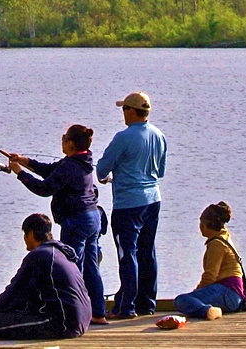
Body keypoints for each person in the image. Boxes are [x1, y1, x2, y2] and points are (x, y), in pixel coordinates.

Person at [8, 124, 108, 324]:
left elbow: (44, 189)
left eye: (64, 138)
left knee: (72, 267)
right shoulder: (82, 160)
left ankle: (76, 314)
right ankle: (98, 313)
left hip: (76, 221)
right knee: (91, 267)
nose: (61, 140)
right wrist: (24, 161)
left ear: (70, 143)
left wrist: (20, 173)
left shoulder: (70, 165)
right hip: (93, 218)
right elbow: (49, 170)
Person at [96, 91, 167, 319]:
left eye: (124, 109)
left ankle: (126, 307)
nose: (122, 113)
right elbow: (160, 171)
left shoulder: (123, 137)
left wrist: (113, 175)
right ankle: (147, 303)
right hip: (153, 200)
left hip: (128, 205)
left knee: (128, 253)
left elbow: (101, 170)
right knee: (148, 251)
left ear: (132, 111)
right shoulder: (159, 135)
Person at [0, 213, 92, 339]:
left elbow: (14, 291)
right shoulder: (61, 253)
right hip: (82, 320)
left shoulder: (39, 256)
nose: (24, 239)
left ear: (31, 234)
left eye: (25, 235)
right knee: (16, 308)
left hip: (64, 325)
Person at [174, 202, 244, 320]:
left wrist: (196, 292)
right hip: (233, 294)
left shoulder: (216, 244)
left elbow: (210, 276)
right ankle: (206, 308)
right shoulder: (224, 236)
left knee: (181, 300)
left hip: (228, 293)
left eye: (201, 223)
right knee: (190, 299)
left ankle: (208, 311)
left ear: (205, 225)